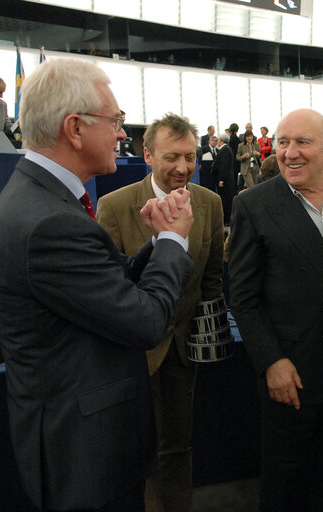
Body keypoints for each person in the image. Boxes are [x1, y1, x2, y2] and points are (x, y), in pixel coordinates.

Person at [0, 58, 195, 512]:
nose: (122, 134)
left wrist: (155, 243)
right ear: (75, 128)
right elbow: (145, 321)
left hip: (78, 442)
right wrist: (175, 242)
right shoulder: (50, 220)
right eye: (116, 121)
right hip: (84, 454)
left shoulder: (41, 199)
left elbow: (96, 281)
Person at [229, 108, 323, 511]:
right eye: (282, 142)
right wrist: (271, 360)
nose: (290, 153)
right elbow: (242, 296)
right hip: (290, 372)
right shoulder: (253, 205)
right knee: (287, 479)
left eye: (302, 142)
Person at [97, 113, 224, 512]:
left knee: (178, 447)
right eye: (173, 157)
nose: (184, 168)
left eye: (191, 156)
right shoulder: (114, 206)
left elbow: (213, 280)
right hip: (132, 355)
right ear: (147, 155)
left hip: (184, 352)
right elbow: (111, 286)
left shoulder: (210, 203)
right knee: (137, 449)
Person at [214, 132, 236, 224]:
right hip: (228, 179)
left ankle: (226, 219)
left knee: (225, 199)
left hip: (225, 180)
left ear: (221, 141)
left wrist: (221, 179)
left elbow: (223, 166)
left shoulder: (224, 150)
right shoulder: (228, 149)